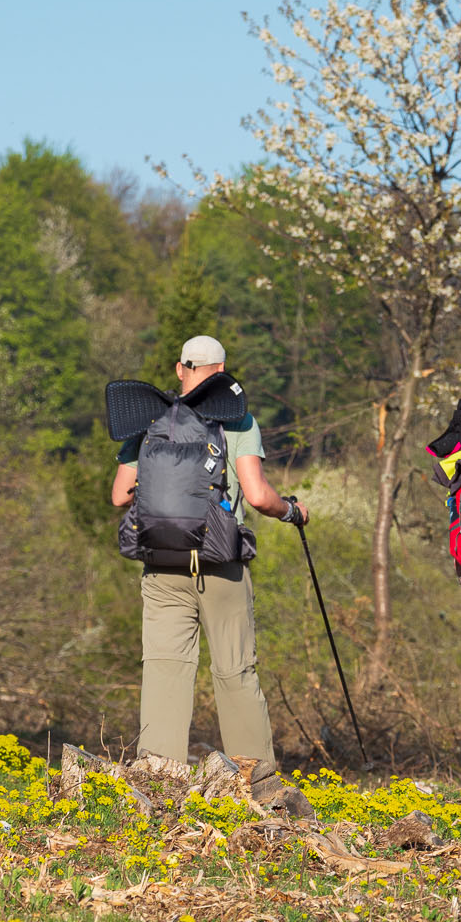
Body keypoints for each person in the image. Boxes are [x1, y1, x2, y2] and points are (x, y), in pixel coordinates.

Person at [110, 335, 314, 816]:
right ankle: (258, 788)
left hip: (161, 563)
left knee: (164, 668)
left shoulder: (149, 415)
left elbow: (121, 495)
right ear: (222, 370)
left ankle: (156, 789)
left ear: (180, 369)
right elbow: (259, 496)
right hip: (221, 562)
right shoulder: (236, 417)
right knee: (234, 671)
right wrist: (293, 513)